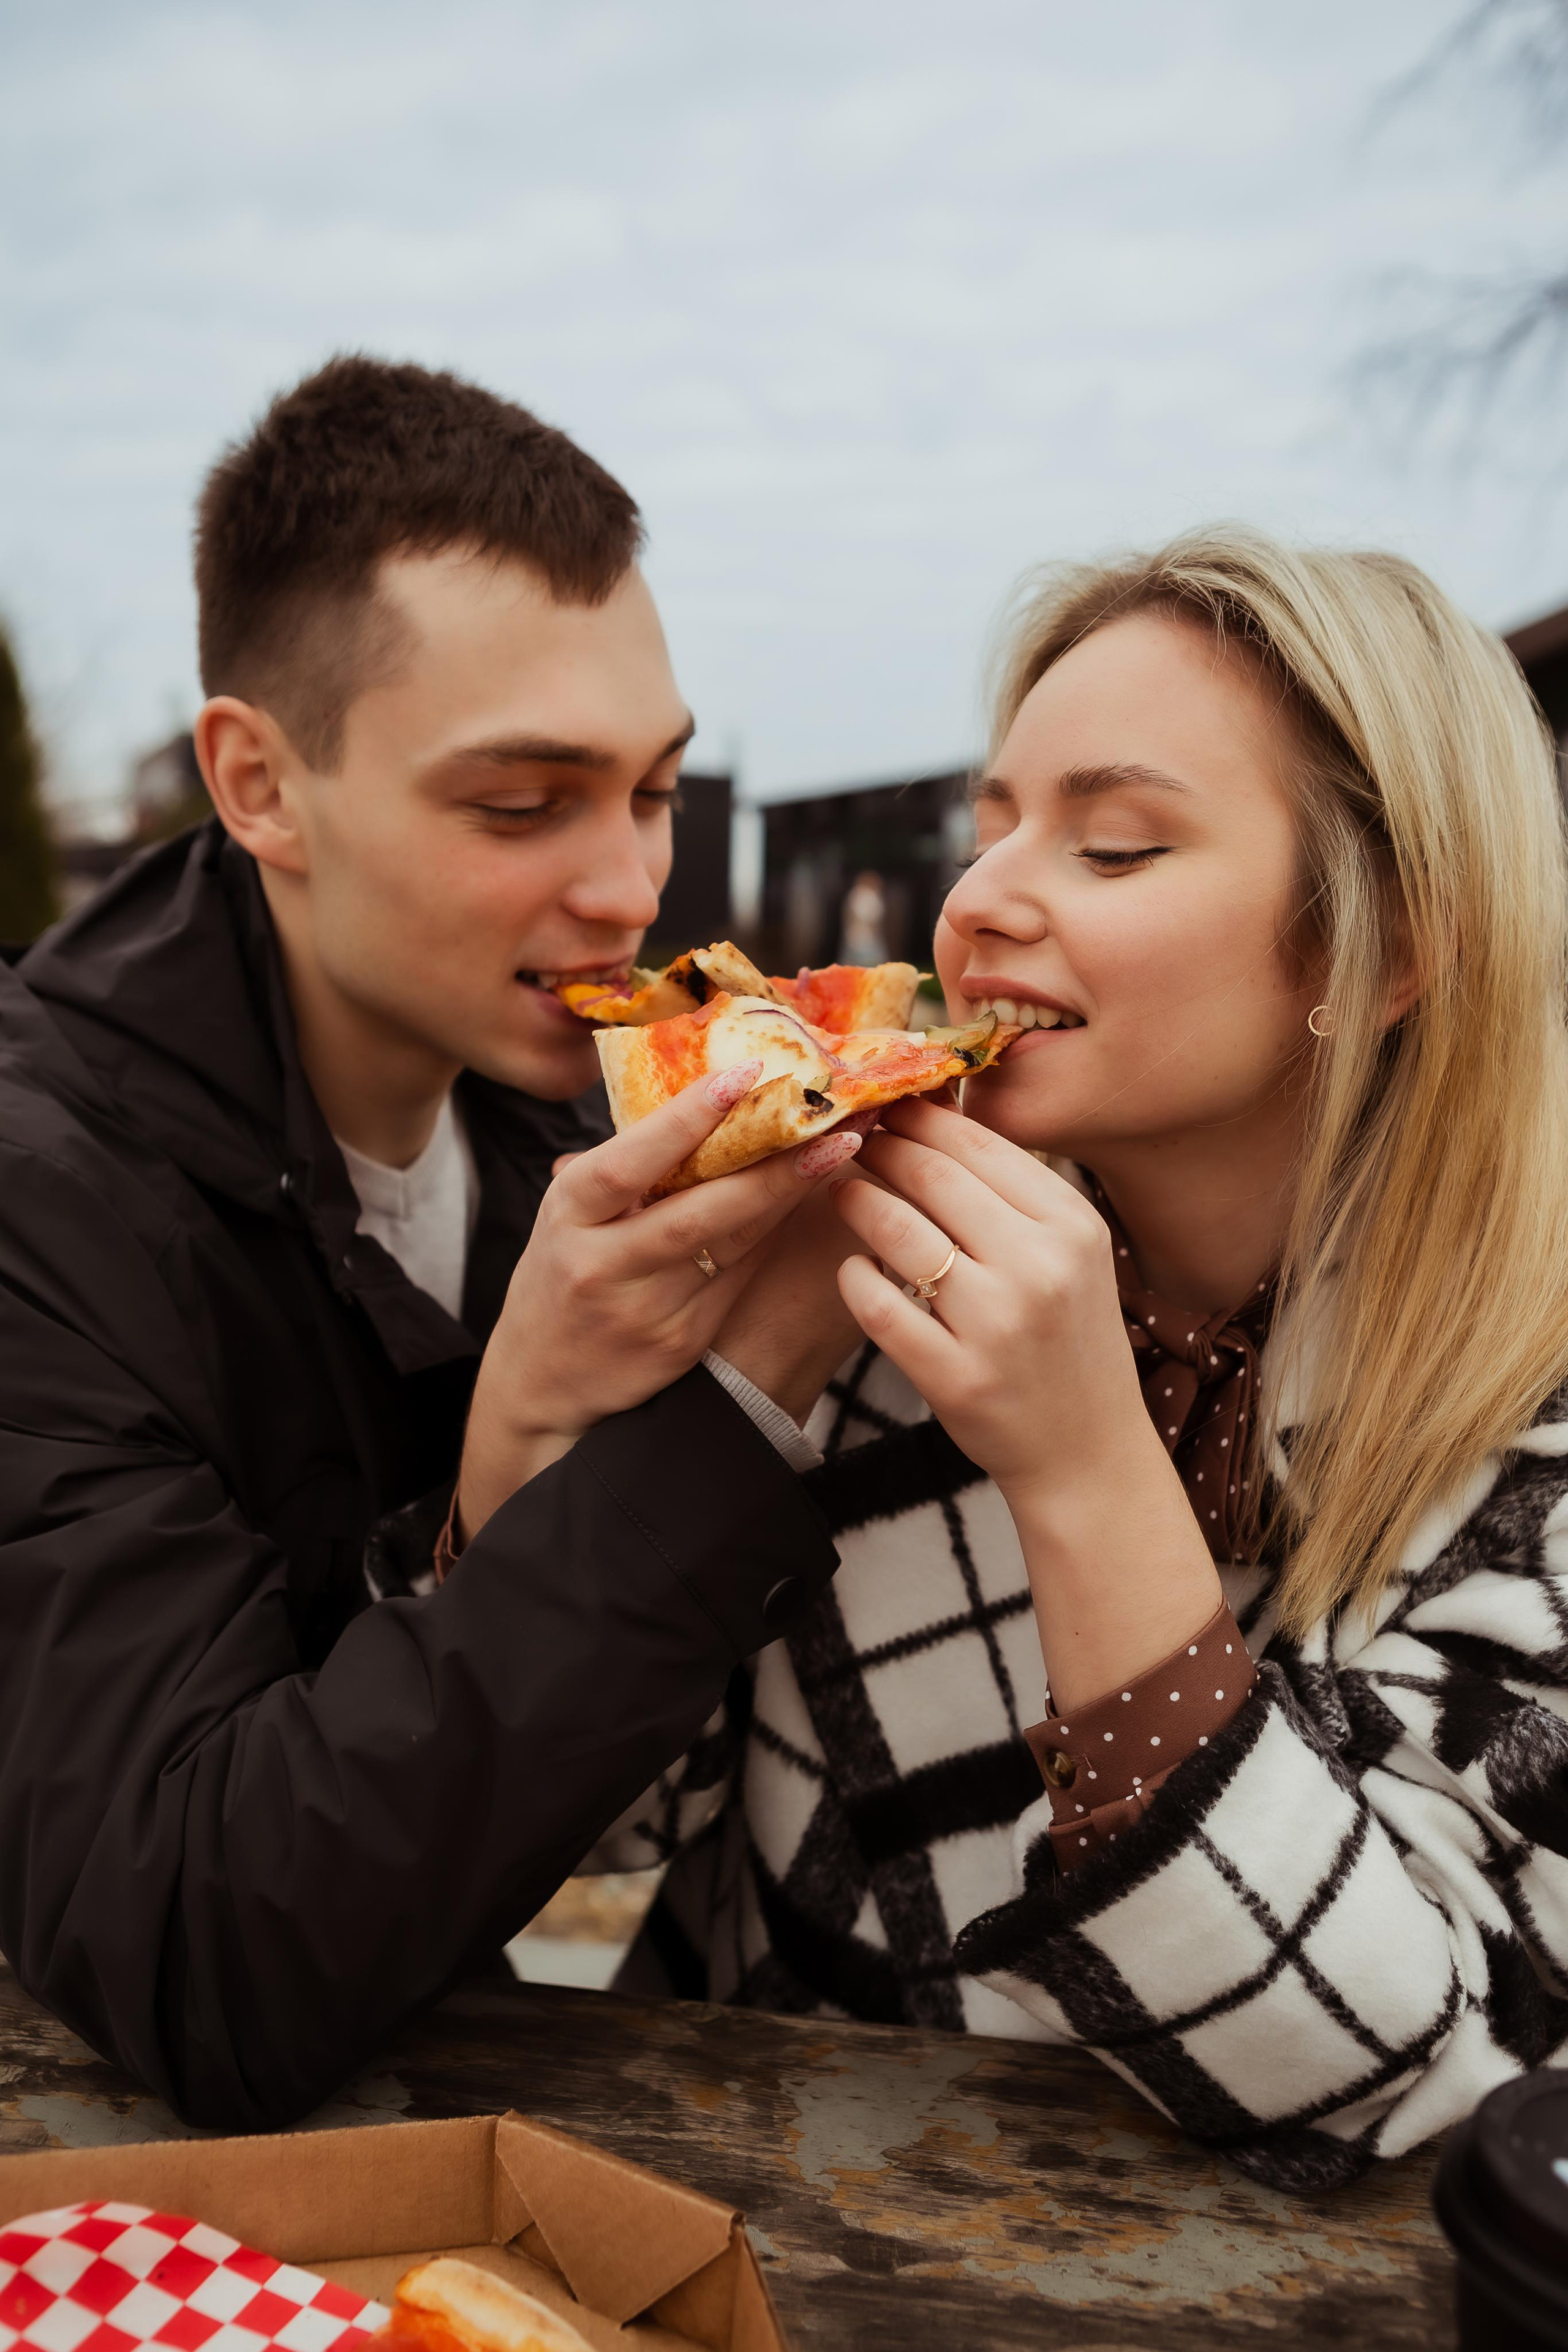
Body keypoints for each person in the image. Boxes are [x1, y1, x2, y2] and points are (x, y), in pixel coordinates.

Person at [599, 528, 1568, 2190]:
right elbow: (584, 1833)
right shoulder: (862, 1283)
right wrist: (574, 1412)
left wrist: (1082, 1467)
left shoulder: (1531, 1415)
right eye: (992, 829)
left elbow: (1400, 2086)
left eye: (1114, 846)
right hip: (745, 2231)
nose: (974, 904)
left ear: (1386, 947)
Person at [0, 356, 859, 2132]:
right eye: (520, 804)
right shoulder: (42, 1205)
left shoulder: (587, 1114)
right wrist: (697, 1423)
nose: (629, 886)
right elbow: (199, 1952)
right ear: (259, 784)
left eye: (654, 790)